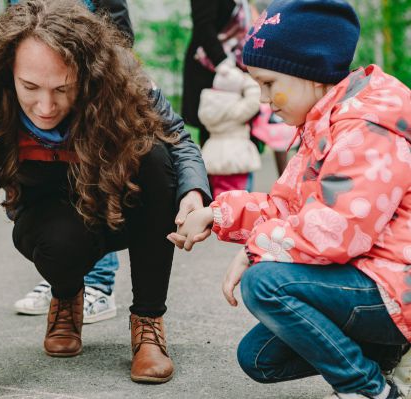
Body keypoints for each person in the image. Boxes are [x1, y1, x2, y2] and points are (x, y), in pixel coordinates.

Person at [0, 1, 211, 397]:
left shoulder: (121, 82)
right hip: (51, 221)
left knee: (157, 157)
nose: (45, 108)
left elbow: (180, 140)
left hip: (122, 209)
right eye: (30, 88)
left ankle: (148, 322)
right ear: (8, 72)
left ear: (89, 75)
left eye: (63, 89)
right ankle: (65, 294)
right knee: (59, 241)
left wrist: (193, 194)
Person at [168, 0, 411, 397]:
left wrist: (255, 250)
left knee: (265, 284)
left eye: (268, 83)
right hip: (367, 281)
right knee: (260, 357)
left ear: (310, 71)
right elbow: (286, 206)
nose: (264, 99)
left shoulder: (366, 129)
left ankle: (368, 390)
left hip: (395, 287)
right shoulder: (323, 121)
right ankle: (388, 354)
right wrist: (216, 213)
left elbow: (338, 232)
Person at [11, 0, 134, 324]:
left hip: (86, 87)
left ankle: (96, 284)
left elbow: (118, 31)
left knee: (94, 181)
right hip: (47, 74)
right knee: (55, 196)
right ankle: (64, 281)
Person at [198, 60, 261, 197]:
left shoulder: (207, 107)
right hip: (236, 157)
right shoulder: (235, 109)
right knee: (240, 198)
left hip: (212, 155)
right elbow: (254, 101)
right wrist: (247, 80)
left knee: (218, 197)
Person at [181, 0, 237, 146]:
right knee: (213, 131)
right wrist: (222, 61)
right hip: (210, 66)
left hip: (235, 63)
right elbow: (203, 25)